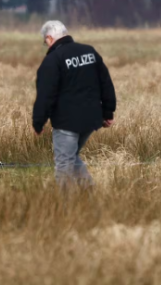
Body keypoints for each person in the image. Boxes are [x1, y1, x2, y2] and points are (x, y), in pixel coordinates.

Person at [32, 21, 116, 187]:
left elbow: (45, 94)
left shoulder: (53, 60)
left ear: (49, 38)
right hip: (91, 120)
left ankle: (66, 207)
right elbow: (105, 83)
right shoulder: (89, 52)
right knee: (71, 156)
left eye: (45, 41)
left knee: (64, 163)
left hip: (67, 123)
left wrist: (38, 122)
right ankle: (88, 193)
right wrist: (108, 113)